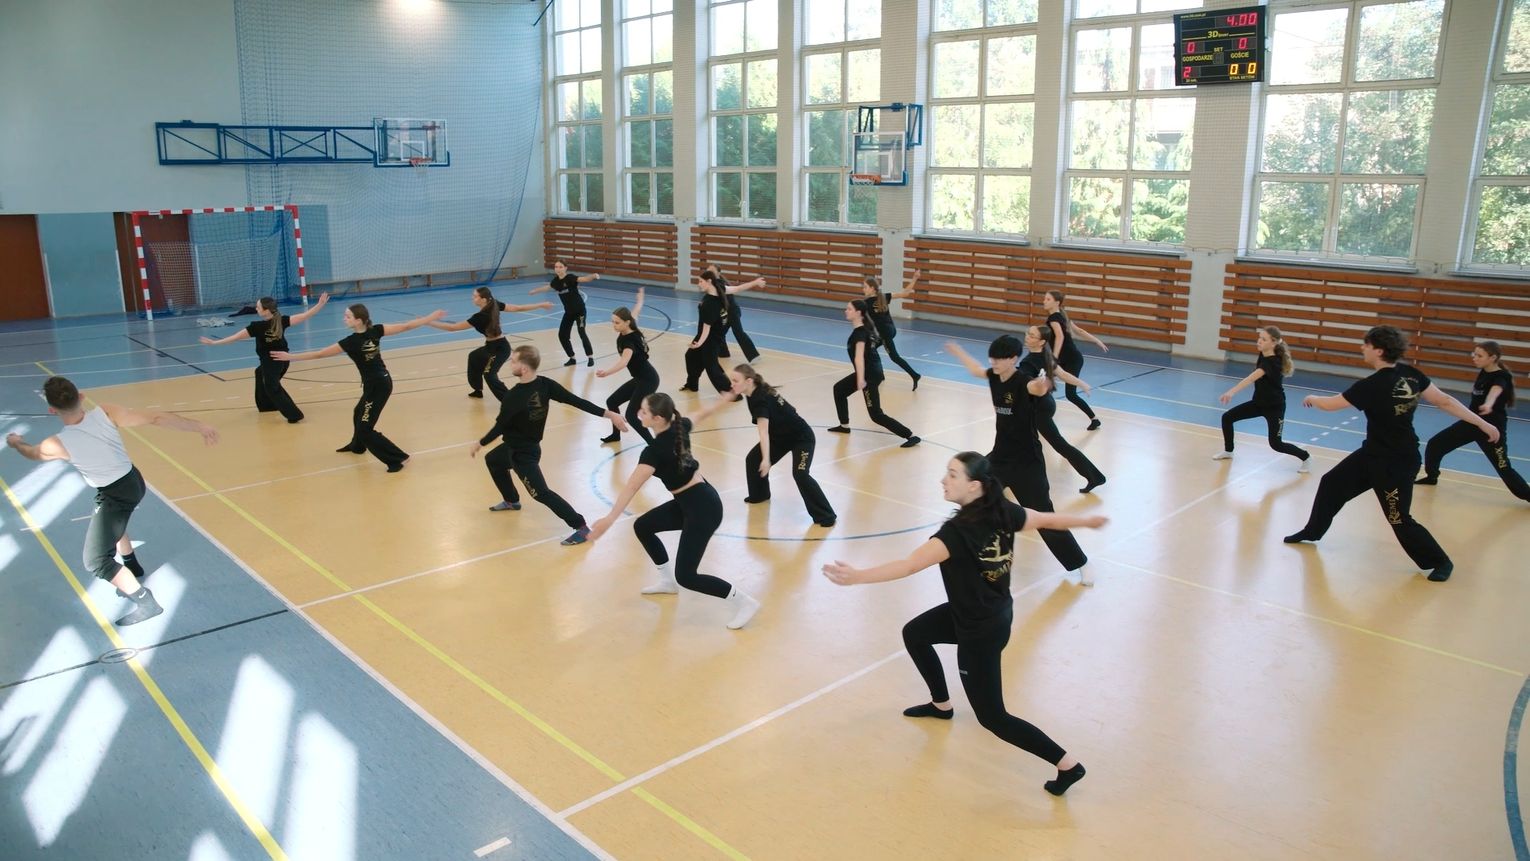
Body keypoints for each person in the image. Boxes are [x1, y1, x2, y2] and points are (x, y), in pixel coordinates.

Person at [821, 452, 1106, 795]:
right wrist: (1086, 521)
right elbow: (1045, 519)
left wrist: (858, 577)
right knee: (915, 633)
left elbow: (909, 565)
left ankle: (1068, 765)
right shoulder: (1003, 510)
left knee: (993, 717)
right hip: (986, 612)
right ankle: (941, 705)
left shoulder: (956, 534)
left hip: (979, 631)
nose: (944, 480)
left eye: (953, 474)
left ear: (974, 486)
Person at [1283, 326, 1501, 582]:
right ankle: (1312, 532)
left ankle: (1440, 562)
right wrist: (1482, 423)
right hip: (1372, 454)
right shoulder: (1410, 374)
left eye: (1366, 345)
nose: (1362, 348)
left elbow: (1331, 405)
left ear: (1378, 350)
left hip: (1396, 463)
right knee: (1332, 483)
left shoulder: (1371, 385)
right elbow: (1445, 401)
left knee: (1398, 518)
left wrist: (1312, 397)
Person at [6, 376, 219, 626]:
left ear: (52, 410)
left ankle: (146, 602)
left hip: (116, 495)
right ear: (81, 396)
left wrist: (16, 442)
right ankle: (132, 565)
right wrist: (199, 426)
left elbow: (31, 453)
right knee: (111, 521)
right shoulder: (106, 412)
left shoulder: (56, 444)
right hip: (133, 480)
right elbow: (156, 417)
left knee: (95, 561)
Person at [587, 393, 762, 629]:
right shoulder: (679, 426)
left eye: (644, 412)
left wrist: (609, 519)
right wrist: (726, 398)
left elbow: (631, 487)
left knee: (687, 576)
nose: (639, 414)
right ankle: (667, 582)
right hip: (691, 502)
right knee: (643, 526)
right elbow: (704, 412)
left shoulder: (655, 451)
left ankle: (744, 602)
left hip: (703, 510)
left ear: (658, 418)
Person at [945, 337, 1096, 585]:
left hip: (1028, 464)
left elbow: (1037, 388)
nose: (993, 362)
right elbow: (975, 370)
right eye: (992, 358)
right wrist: (958, 351)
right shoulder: (994, 376)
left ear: (1013, 359)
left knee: (1044, 516)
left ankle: (1081, 563)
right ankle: (967, 552)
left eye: (999, 359)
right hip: (999, 459)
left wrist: (1044, 381)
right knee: (974, 501)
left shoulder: (1023, 382)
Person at [469, 345, 627, 545]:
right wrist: (610, 414)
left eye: (514, 361)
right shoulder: (544, 384)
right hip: (515, 447)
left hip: (522, 455)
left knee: (541, 493)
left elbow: (500, 427)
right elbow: (575, 401)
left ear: (524, 368)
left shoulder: (514, 396)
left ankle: (581, 527)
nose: (510, 364)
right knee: (493, 460)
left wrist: (480, 442)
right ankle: (511, 500)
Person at [272, 304, 445, 472]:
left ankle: (397, 458)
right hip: (375, 384)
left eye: (348, 316)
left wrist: (291, 357)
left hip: (379, 386)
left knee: (365, 428)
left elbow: (405, 326)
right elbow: (321, 353)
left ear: (359, 320)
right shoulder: (358, 338)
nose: (344, 319)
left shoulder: (368, 334)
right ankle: (357, 446)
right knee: (358, 412)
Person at [691, 363, 838, 527]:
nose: (731, 384)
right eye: (731, 380)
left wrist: (766, 460)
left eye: (735, 381)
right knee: (753, 460)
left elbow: (763, 432)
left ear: (748, 381)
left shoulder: (760, 400)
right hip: (780, 437)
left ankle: (827, 515)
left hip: (801, 438)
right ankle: (760, 495)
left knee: (801, 474)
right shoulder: (754, 389)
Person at [1417, 340, 1529, 501]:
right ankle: (1432, 476)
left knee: (1504, 468)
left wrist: (1489, 404)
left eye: (1479, 355)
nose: (1474, 357)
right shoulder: (1484, 371)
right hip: (1471, 423)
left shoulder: (1502, 376)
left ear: (1493, 358)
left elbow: (1496, 390)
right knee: (1435, 445)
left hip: (1491, 430)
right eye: (1474, 354)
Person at [199, 292, 330, 423]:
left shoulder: (257, 327)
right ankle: (266, 406)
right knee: (259, 372)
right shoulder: (281, 320)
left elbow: (235, 337)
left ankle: (294, 415)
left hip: (272, 363)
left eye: (258, 307)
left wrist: (214, 343)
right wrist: (320, 304)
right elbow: (306, 315)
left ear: (266, 310)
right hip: (283, 361)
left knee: (272, 388)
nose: (256, 309)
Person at [1212, 326, 1312, 472]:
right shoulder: (1263, 354)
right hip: (1258, 403)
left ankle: (1306, 457)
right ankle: (1229, 451)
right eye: (1259, 337)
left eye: (1264, 339)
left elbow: (1250, 378)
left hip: (1274, 407)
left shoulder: (1272, 362)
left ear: (1274, 343)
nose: (1259, 341)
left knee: (1276, 444)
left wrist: (1231, 392)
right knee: (1227, 417)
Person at [1021, 325, 1107, 494]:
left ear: (1041, 342)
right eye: (1027, 334)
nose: (1027, 337)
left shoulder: (1028, 362)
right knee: (1017, 440)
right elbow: (1063, 374)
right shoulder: (1046, 356)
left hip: (1038, 409)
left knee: (1060, 445)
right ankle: (999, 477)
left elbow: (1026, 386)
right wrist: (1081, 383)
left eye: (1031, 335)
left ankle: (1095, 477)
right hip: (1046, 404)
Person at [426, 286, 553, 400]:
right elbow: (517, 308)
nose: (473, 299)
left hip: (500, 349)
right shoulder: (494, 304)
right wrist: (541, 304)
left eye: (475, 296)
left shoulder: (480, 316)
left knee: (489, 375)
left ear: (483, 299)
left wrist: (428, 321)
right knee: (474, 356)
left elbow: (453, 327)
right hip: (490, 347)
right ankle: (477, 390)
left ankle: (509, 400)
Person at [826, 299, 920, 447]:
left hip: (869, 375)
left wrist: (860, 379)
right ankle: (844, 426)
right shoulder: (865, 330)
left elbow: (859, 359)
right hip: (871, 372)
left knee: (876, 415)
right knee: (839, 389)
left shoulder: (860, 334)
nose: (846, 311)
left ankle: (911, 436)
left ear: (858, 313)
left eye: (849, 309)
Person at [595, 288, 659, 445]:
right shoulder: (630, 325)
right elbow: (635, 312)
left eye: (617, 323)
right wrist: (640, 300)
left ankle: (653, 445)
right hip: (640, 378)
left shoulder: (629, 342)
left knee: (631, 415)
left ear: (626, 322)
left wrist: (606, 373)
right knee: (612, 401)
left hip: (648, 380)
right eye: (612, 322)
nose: (614, 325)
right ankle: (615, 435)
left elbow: (623, 362)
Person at [681, 273, 762, 394]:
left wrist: (698, 344)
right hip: (710, 336)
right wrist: (755, 282)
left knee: (712, 367)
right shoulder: (720, 288)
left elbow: (706, 329)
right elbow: (738, 288)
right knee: (691, 357)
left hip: (710, 339)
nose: (699, 284)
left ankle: (731, 393)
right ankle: (692, 385)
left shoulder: (709, 304)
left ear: (709, 281)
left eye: (701, 281)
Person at [1043, 290, 1108, 430]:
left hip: (1071, 359)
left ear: (1057, 302)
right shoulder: (1062, 315)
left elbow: (1060, 336)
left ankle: (1094, 419)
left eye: (1048, 299)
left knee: (1070, 394)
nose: (1044, 301)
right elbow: (1079, 331)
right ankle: (1042, 415)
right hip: (1070, 358)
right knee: (1044, 384)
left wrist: (1054, 358)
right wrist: (1096, 340)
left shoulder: (1054, 318)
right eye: (1045, 299)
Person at [529, 260, 599, 367]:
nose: (558, 269)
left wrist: (593, 276)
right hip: (569, 313)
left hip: (580, 311)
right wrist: (535, 291)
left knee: (581, 332)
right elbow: (548, 287)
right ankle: (572, 358)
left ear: (565, 268)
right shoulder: (556, 281)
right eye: (556, 267)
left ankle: (590, 357)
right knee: (562, 335)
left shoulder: (570, 278)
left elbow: (584, 279)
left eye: (560, 267)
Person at [862, 270, 922, 389]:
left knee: (894, 357)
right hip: (891, 329)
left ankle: (915, 375)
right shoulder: (883, 296)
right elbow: (905, 293)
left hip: (885, 334)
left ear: (872, 288)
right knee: (870, 349)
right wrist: (914, 278)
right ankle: (880, 375)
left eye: (865, 287)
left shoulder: (867, 303)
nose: (863, 289)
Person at [702, 263, 763, 363]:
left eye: (712, 271)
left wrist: (755, 282)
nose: (709, 273)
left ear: (718, 273)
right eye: (708, 271)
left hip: (733, 312)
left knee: (738, 332)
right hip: (724, 314)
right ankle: (723, 353)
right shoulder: (711, 284)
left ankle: (754, 356)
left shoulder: (720, 285)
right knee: (718, 332)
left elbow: (738, 288)